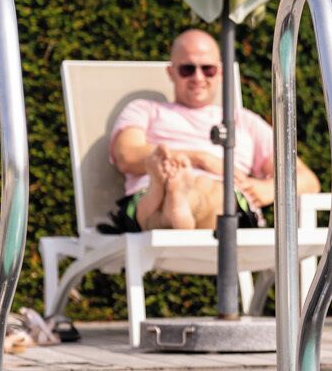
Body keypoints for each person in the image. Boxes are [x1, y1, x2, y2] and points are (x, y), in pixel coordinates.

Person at [106, 28, 317, 232]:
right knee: (154, 192)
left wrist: (270, 188)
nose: (198, 77)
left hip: (221, 199)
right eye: (187, 69)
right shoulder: (144, 109)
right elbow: (126, 155)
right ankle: (173, 193)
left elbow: (307, 180)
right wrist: (198, 159)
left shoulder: (243, 120)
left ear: (221, 72)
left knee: (211, 189)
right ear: (171, 72)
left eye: (208, 69)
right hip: (148, 193)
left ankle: (176, 197)